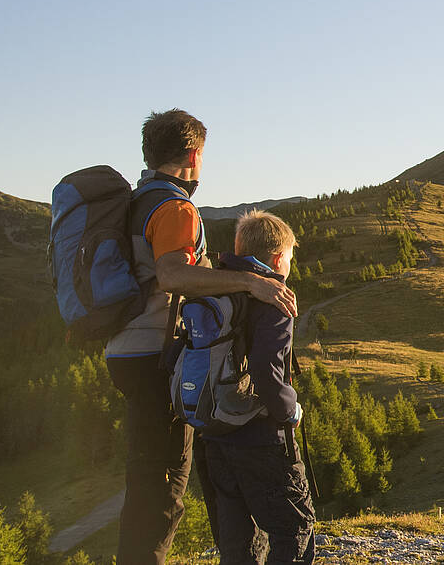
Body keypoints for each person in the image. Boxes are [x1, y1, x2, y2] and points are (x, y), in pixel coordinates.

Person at [107, 109, 298, 565]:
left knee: (148, 477)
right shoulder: (174, 206)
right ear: (194, 154)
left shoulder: (136, 202)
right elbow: (173, 274)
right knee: (164, 486)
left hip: (124, 350)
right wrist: (251, 283)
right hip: (154, 354)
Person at [204, 210, 315, 564]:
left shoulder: (212, 286)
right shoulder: (274, 298)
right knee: (294, 529)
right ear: (278, 257)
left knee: (237, 540)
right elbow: (268, 372)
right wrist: (290, 411)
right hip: (261, 436)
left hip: (216, 431)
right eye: (290, 258)